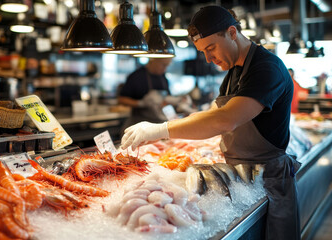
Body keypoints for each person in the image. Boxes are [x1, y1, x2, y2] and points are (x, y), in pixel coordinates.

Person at [121, 5, 301, 240]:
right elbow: (211, 113)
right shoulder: (233, 74)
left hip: (268, 181)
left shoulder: (266, 68)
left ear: (232, 33)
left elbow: (225, 119)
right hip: (243, 178)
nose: (207, 58)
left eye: (211, 48)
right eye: (202, 51)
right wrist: (175, 122)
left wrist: (161, 129)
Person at [118, 58, 173, 131]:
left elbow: (166, 100)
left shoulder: (163, 78)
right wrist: (140, 103)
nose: (165, 69)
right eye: (163, 65)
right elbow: (121, 99)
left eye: (167, 66)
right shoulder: (136, 76)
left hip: (158, 125)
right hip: (138, 125)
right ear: (153, 59)